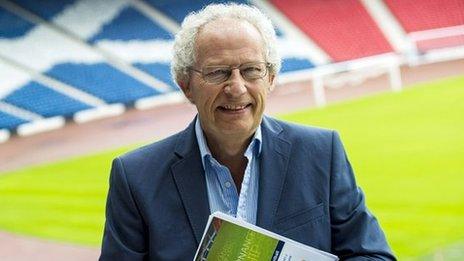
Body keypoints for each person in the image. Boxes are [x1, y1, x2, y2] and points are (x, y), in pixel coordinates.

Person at [100, 3, 396, 260]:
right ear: (185, 85)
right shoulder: (136, 177)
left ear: (271, 77)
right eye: (217, 72)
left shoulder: (321, 152)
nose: (236, 88)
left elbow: (373, 255)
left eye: (251, 70)